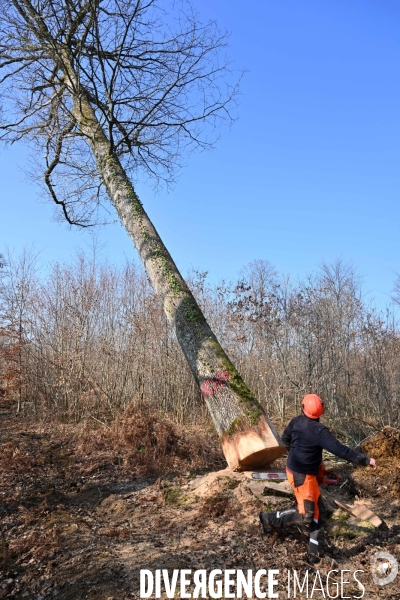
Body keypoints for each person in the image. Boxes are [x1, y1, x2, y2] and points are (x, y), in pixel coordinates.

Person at [259, 394, 376, 563]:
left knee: (317, 512)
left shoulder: (296, 421)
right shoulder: (321, 432)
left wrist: (299, 454)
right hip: (301, 476)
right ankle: (269, 519)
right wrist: (366, 460)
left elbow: (285, 440)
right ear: (321, 412)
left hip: (306, 474)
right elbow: (341, 450)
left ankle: (315, 553)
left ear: (303, 408)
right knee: (306, 514)